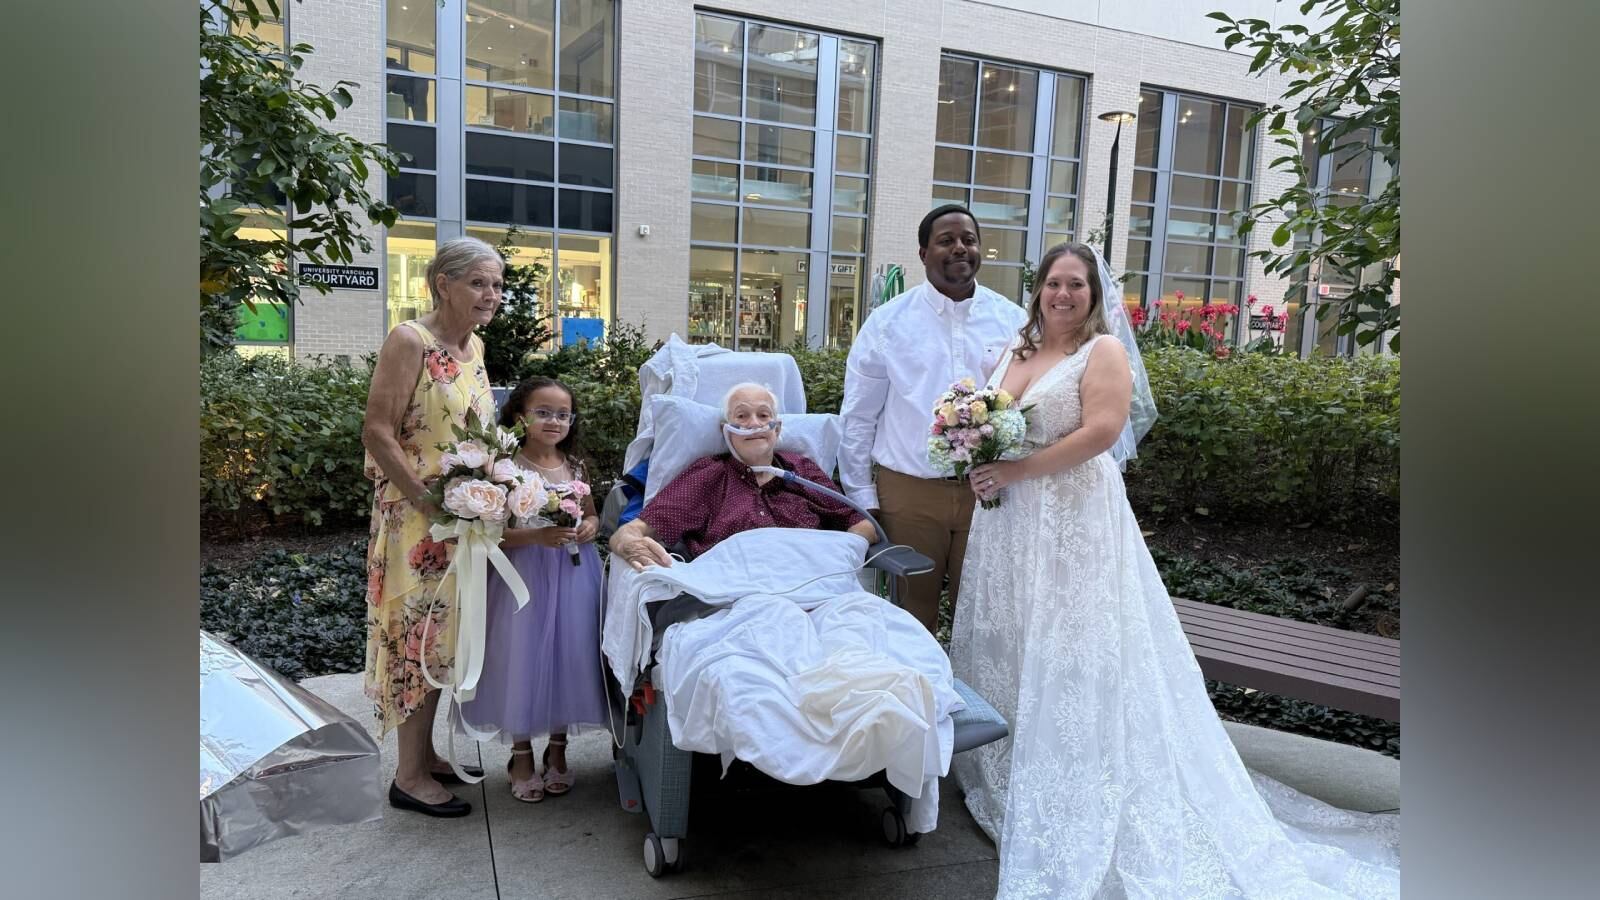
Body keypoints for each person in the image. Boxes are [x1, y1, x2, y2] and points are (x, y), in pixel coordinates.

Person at [950, 242, 1400, 897]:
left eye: (1077, 284)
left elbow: (1100, 432)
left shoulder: (1099, 352)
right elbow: (992, 422)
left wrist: (1014, 468)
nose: (1064, 294)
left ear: (1094, 295)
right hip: (1013, 524)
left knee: (1074, 648)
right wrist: (970, 446)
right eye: (1054, 283)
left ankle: (1083, 777)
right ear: (1038, 289)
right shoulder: (1018, 351)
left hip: (1073, 522)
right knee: (1018, 642)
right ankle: (1015, 765)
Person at [361, 236, 503, 818]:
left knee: (446, 639)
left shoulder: (475, 349)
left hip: (462, 524)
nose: (491, 295)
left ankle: (428, 755)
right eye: (478, 283)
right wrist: (427, 502)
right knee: (414, 639)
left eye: (496, 285)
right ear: (442, 284)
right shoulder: (409, 340)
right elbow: (377, 430)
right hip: (417, 524)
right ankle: (409, 775)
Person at [838, 204, 1028, 633]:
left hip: (991, 493)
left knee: (981, 614)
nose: (960, 248)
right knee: (910, 614)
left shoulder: (1013, 321)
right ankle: (917, 696)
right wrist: (862, 496)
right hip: (909, 493)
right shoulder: (887, 324)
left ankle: (972, 699)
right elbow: (857, 418)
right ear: (923, 253)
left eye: (969, 239)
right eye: (946, 240)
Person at [459, 377, 607, 804]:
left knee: (569, 657)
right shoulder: (505, 468)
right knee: (521, 660)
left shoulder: (575, 466)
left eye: (563, 414)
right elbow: (488, 534)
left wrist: (589, 529)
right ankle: (520, 754)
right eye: (543, 412)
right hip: (521, 574)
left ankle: (558, 751)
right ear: (520, 416)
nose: (554, 421)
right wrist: (538, 539)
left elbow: (593, 515)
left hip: (574, 574)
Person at [609, 383, 876, 571]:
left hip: (812, 594)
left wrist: (838, 559)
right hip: (731, 603)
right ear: (726, 430)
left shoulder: (801, 472)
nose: (754, 424)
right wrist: (629, 543)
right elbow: (632, 531)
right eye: (742, 416)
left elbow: (862, 523)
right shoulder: (707, 477)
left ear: (777, 428)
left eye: (763, 415)